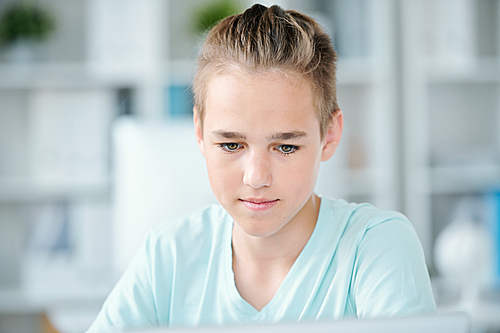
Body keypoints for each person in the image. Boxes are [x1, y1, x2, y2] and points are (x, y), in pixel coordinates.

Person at [86, 4, 436, 332]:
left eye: (285, 147)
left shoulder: (376, 247)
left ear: (329, 136)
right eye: (231, 145)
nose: (256, 178)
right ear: (199, 133)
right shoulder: (169, 254)